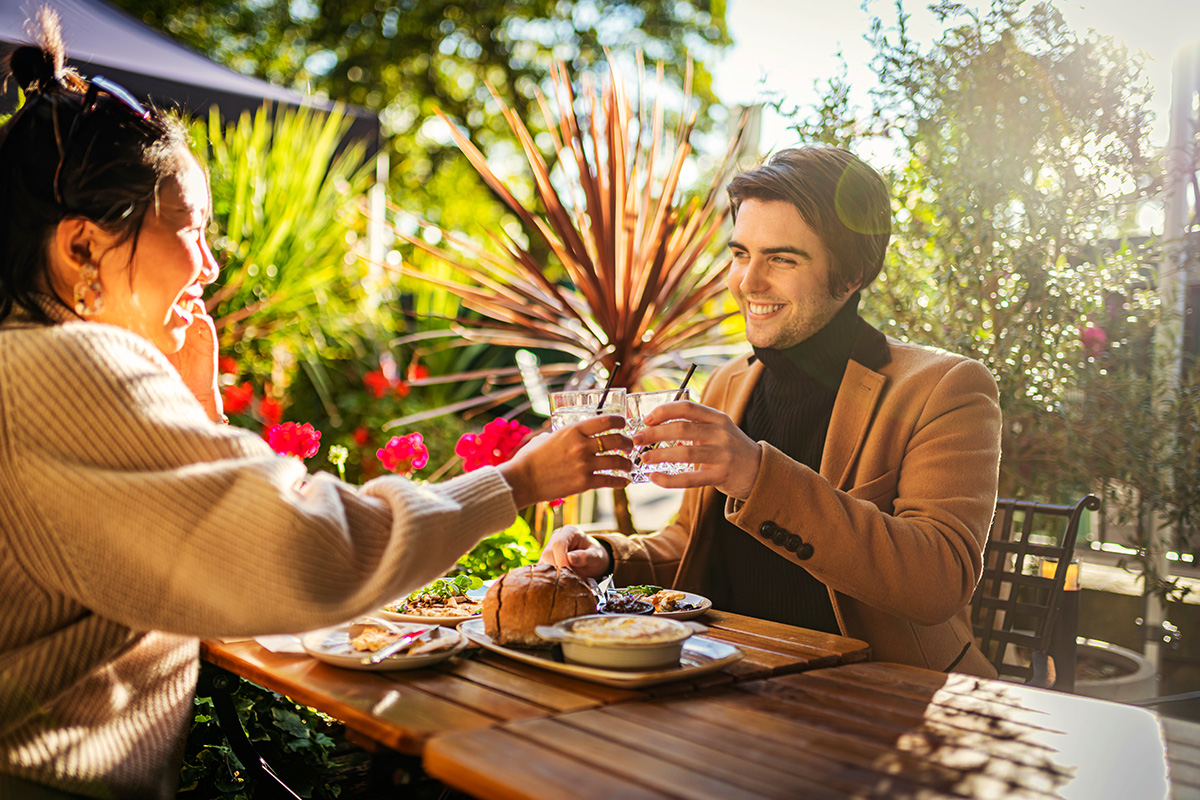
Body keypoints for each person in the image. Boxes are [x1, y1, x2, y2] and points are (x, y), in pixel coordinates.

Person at [0, 14, 631, 799]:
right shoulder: (64, 365)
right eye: (189, 231)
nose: (207, 263)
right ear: (83, 247)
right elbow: (303, 551)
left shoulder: (24, 358)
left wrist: (193, 412)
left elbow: (205, 575)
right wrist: (515, 483)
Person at [543, 145, 1002, 678]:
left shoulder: (945, 389)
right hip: (729, 675)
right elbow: (690, 543)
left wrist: (754, 473)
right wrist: (606, 556)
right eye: (740, 254)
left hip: (883, 694)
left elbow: (936, 582)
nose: (747, 282)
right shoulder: (728, 381)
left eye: (781, 258)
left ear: (850, 275)